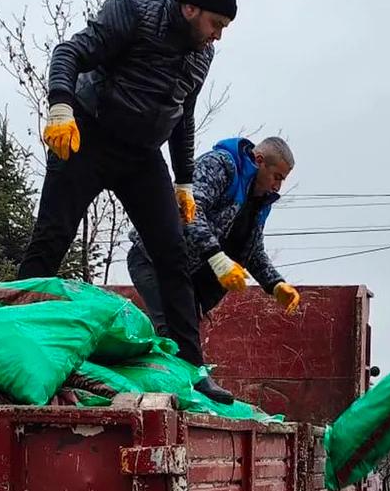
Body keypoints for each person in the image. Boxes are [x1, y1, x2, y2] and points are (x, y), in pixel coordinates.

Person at [17, 0, 238, 403]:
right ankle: (18, 334)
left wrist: (184, 181)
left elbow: (183, 114)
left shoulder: (202, 54)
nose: (218, 36)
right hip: (89, 134)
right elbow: (68, 53)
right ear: (190, 7)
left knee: (173, 254)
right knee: (52, 237)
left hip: (141, 155)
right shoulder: (134, 12)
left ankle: (193, 369)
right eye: (216, 24)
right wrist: (60, 106)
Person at [128, 136, 302, 348]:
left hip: (192, 282)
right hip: (155, 261)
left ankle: (178, 376)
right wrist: (217, 258)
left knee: (186, 343)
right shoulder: (220, 166)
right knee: (172, 336)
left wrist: (275, 284)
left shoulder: (260, 203)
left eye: (282, 180)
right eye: (276, 177)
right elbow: (190, 211)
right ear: (259, 160)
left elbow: (253, 250)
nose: (277, 186)